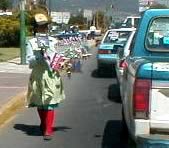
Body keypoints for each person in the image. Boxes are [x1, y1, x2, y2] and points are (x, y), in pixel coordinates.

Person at [26, 13, 65, 140]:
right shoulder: (31, 43)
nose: (43, 29)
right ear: (35, 28)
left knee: (49, 101)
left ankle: (48, 129)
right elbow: (30, 63)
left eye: (45, 27)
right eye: (40, 27)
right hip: (38, 75)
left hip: (51, 75)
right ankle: (43, 123)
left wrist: (61, 62)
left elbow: (60, 57)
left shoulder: (54, 41)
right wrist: (38, 55)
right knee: (40, 103)